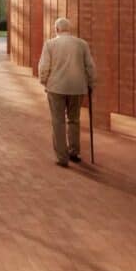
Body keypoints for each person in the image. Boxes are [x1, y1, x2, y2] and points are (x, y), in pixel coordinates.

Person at [38, 18, 97, 167]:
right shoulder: (82, 44)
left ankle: (62, 158)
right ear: (69, 29)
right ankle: (74, 152)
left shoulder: (50, 44)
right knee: (74, 120)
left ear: (56, 29)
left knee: (58, 122)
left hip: (56, 87)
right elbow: (90, 66)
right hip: (77, 87)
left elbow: (44, 66)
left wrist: (44, 81)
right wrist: (91, 83)